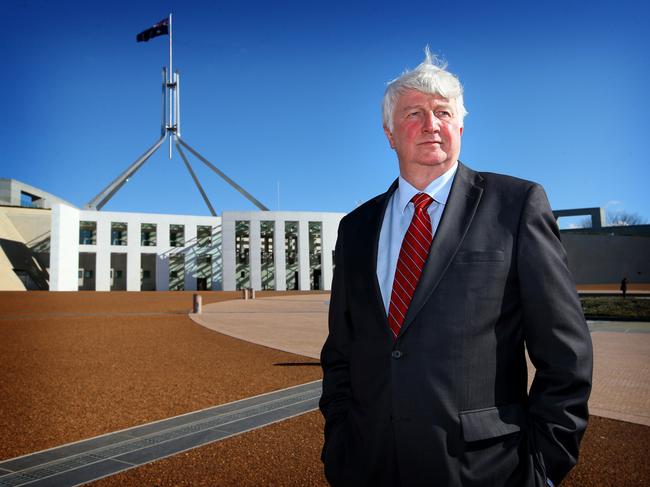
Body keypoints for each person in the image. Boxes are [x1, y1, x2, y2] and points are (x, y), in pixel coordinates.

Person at [319, 49, 593, 487]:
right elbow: (340, 352)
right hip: (369, 464)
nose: (431, 124)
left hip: (487, 469)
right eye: (414, 113)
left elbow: (566, 355)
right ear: (389, 133)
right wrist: (340, 445)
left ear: (460, 127)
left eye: (443, 112)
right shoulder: (356, 228)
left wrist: (541, 469)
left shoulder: (516, 205)